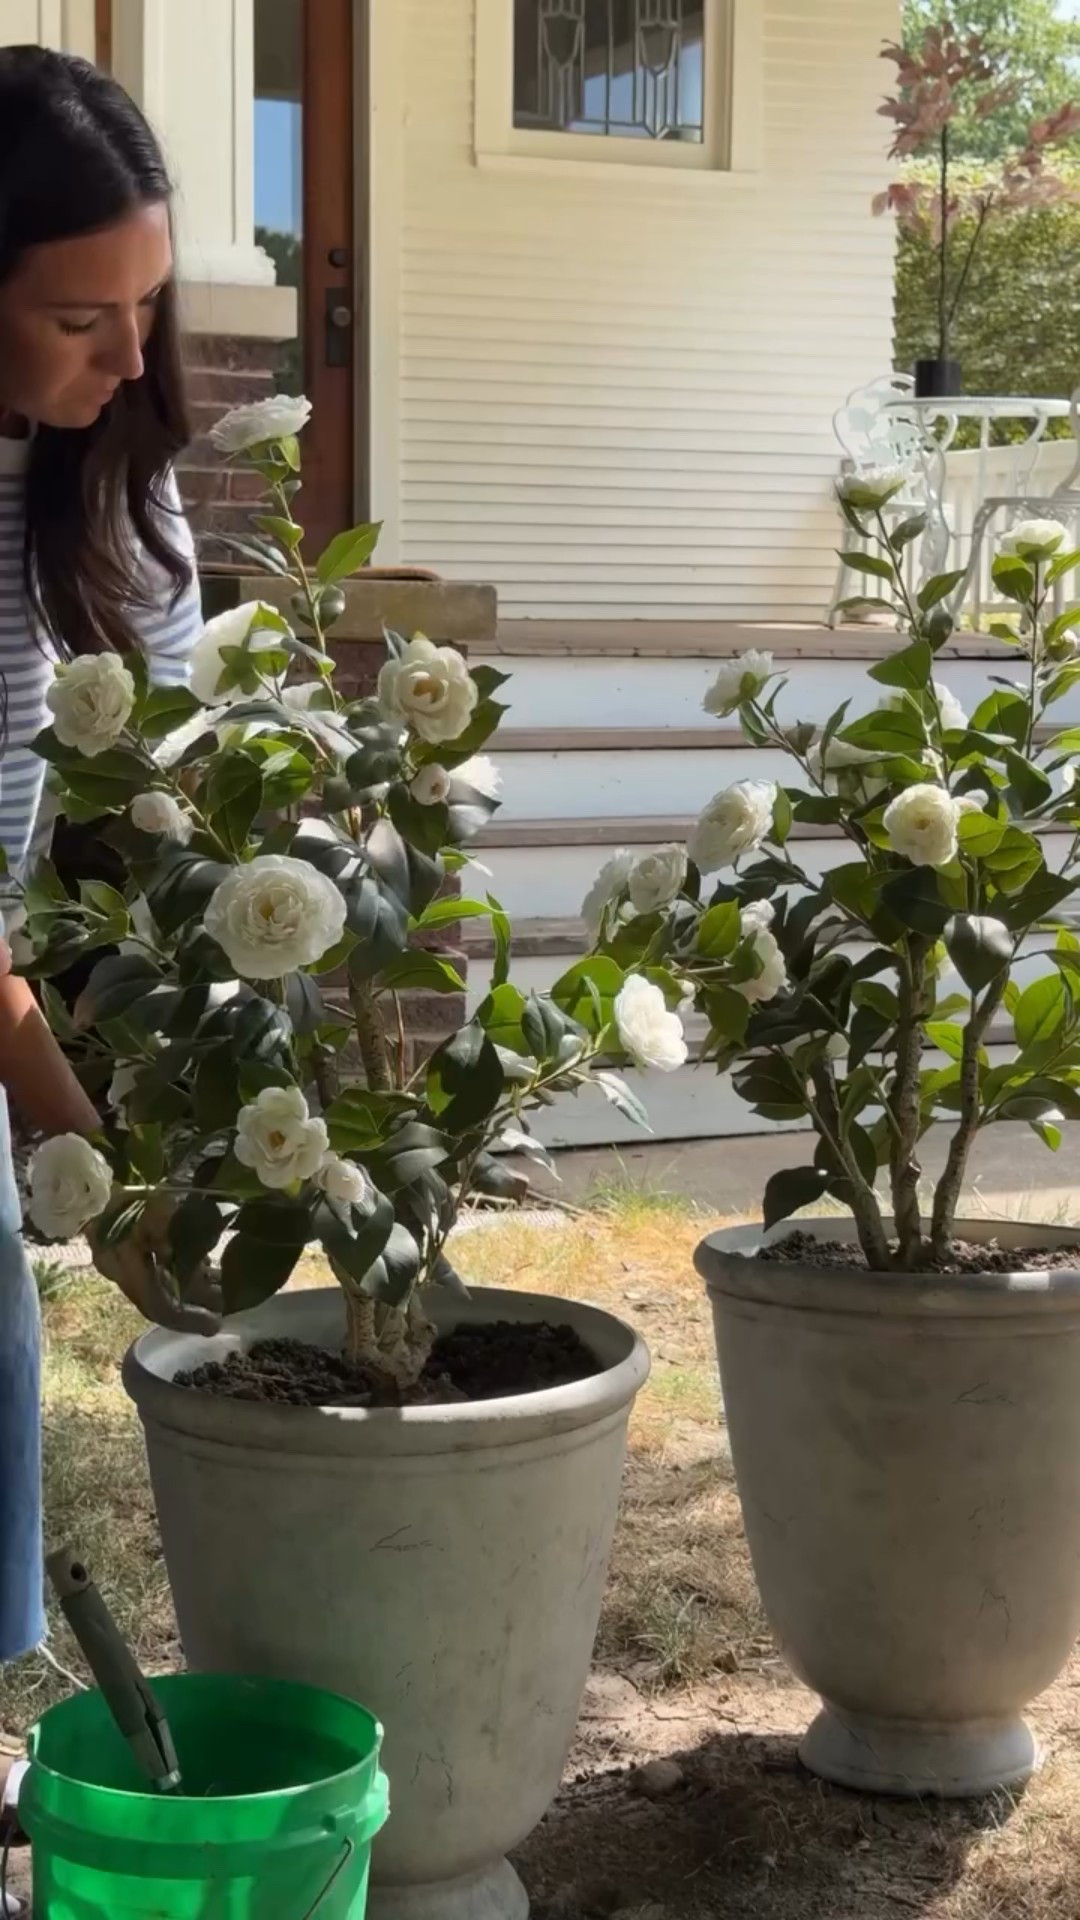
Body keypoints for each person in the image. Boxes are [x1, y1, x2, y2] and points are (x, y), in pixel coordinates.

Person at [0, 47, 208, 1888]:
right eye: (81, 318)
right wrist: (77, 1155)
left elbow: (178, 801)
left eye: (150, 305)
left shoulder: (104, 488)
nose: (131, 361)